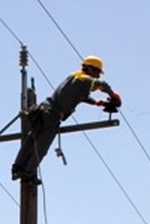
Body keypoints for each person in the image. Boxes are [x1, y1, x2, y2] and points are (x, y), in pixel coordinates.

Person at [11, 55, 121, 183]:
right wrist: (113, 96)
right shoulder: (85, 79)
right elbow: (103, 85)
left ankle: (17, 168)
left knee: (31, 141)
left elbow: (79, 96)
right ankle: (28, 175)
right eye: (97, 72)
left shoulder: (74, 77)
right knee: (41, 146)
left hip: (42, 111)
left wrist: (96, 102)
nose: (98, 76)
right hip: (52, 116)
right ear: (91, 69)